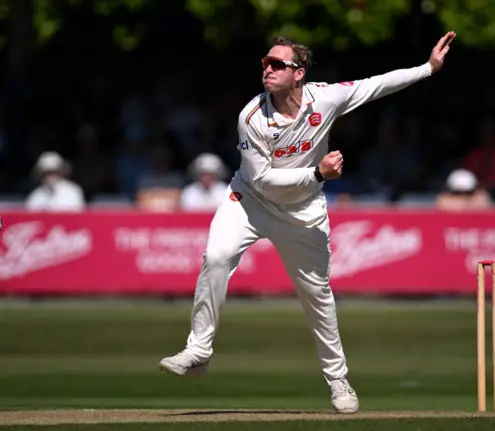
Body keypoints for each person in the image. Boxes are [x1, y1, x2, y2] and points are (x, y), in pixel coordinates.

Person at [158, 32, 456, 414]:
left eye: (277, 64)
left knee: (318, 297)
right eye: (265, 62)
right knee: (216, 258)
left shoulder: (325, 98)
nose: (268, 69)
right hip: (250, 202)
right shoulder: (251, 117)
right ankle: (198, 351)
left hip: (303, 212)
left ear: (299, 73)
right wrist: (317, 172)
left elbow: (375, 85)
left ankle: (338, 380)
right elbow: (263, 179)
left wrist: (428, 68)